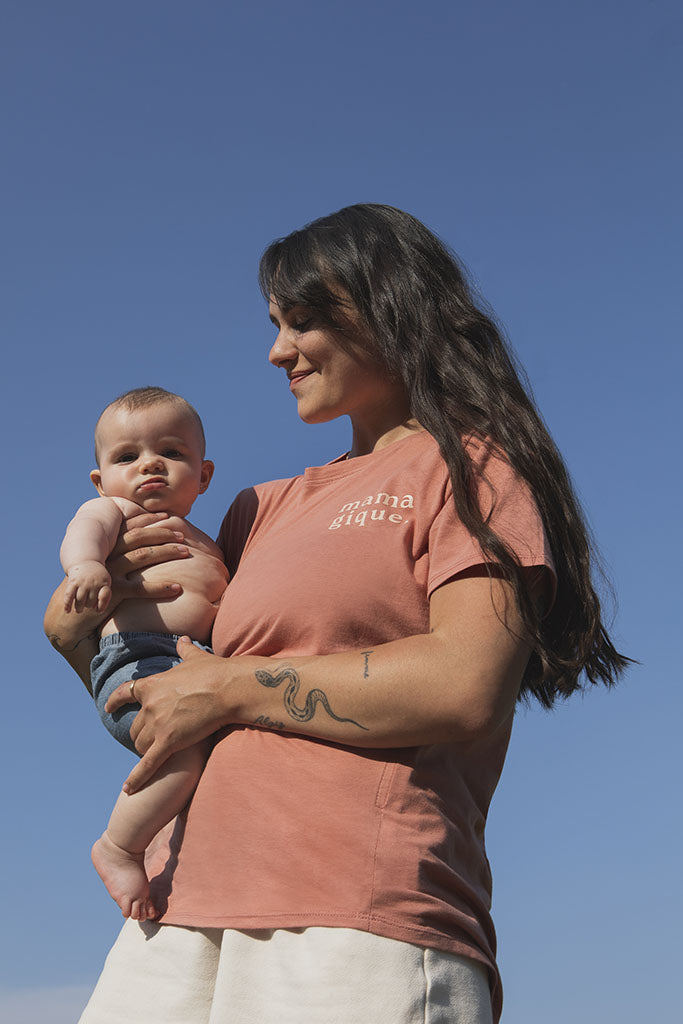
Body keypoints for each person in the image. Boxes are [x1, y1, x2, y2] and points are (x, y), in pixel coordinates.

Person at [45, 204, 628, 1024]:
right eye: (277, 324)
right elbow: (178, 701)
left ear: (392, 308)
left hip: (355, 915)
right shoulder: (255, 509)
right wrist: (82, 644)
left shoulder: (471, 471)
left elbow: (463, 686)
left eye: (305, 321)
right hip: (171, 912)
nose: (277, 351)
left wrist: (234, 685)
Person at [58, 386, 228, 922]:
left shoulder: (210, 542)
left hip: (189, 658)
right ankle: (119, 846)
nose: (150, 464)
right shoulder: (116, 511)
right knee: (181, 752)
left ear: (203, 475)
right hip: (135, 658)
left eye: (172, 453)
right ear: (101, 478)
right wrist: (86, 567)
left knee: (205, 751)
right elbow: (83, 531)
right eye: (127, 457)